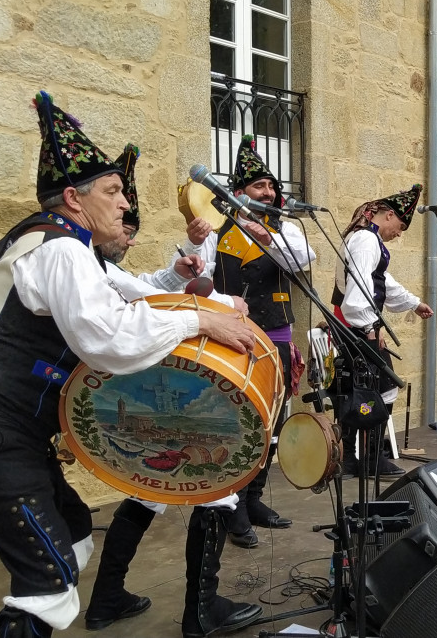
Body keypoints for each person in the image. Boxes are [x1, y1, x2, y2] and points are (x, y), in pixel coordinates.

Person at [0, 92, 256, 638]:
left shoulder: (67, 247)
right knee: (48, 580)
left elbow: (139, 292)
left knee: (75, 524)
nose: (125, 204)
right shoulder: (59, 250)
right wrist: (201, 323)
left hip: (14, 430)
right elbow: (108, 338)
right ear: (73, 197)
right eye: (112, 192)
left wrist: (220, 307)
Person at [83, 144, 261, 636]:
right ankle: (201, 612)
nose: (128, 238)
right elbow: (138, 298)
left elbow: (139, 285)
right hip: (140, 391)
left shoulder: (96, 263)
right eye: (125, 229)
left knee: (149, 490)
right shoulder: (78, 260)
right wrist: (221, 303)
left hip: (144, 389)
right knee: (217, 485)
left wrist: (178, 276)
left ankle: (105, 599)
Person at [181, 135, 315, 548]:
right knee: (240, 420)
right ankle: (234, 505)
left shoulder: (281, 228)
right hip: (234, 337)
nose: (269, 193)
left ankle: (254, 498)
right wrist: (193, 237)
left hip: (276, 332)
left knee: (272, 422)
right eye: (260, 188)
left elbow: (305, 257)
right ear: (238, 193)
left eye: (272, 187)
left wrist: (269, 237)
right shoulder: (217, 228)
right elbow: (194, 273)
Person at [332, 184, 434, 477]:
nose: (399, 234)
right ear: (388, 215)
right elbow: (358, 292)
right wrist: (369, 328)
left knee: (360, 389)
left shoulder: (366, 238)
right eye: (400, 226)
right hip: (357, 327)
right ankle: (371, 459)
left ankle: (352, 457)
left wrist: (413, 302)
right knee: (384, 388)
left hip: (354, 326)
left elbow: (380, 280)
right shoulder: (365, 240)